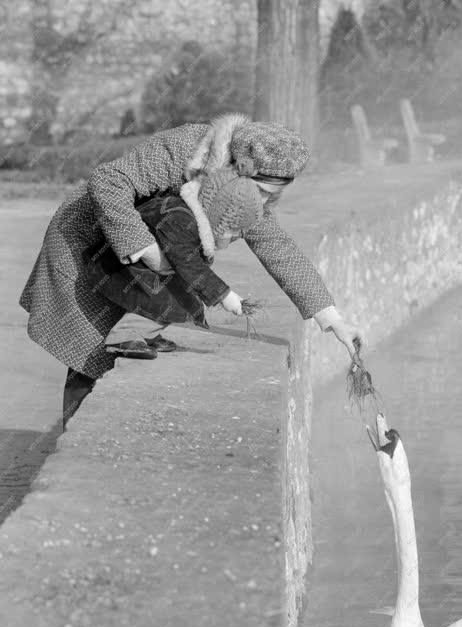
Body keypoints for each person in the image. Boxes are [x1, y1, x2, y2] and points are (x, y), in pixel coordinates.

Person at [19, 113, 364, 424]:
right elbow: (108, 181)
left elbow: (277, 246)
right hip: (88, 238)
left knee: (129, 339)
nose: (262, 204)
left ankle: (97, 425)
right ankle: (76, 441)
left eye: (272, 197)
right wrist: (149, 251)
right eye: (260, 192)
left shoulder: (241, 193)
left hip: (141, 257)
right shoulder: (184, 148)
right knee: (86, 348)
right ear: (239, 170)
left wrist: (331, 319)